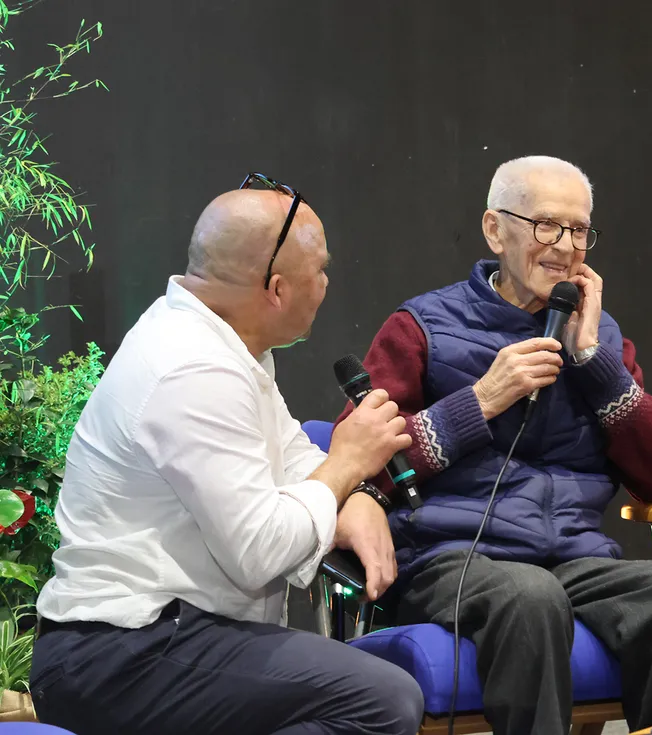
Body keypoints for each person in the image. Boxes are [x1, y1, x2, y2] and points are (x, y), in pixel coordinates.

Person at [335, 155, 652, 734]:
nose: (565, 246)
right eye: (546, 225)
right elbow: (358, 459)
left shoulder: (600, 336)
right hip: (450, 558)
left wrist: (595, 363)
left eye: (580, 230)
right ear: (496, 229)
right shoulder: (423, 326)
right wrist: (482, 399)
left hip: (574, 558)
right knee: (529, 595)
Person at [30, 177, 425, 735]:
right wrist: (347, 465)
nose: (328, 284)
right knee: (381, 702)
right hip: (121, 652)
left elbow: (291, 457)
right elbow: (260, 552)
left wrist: (355, 495)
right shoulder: (194, 367)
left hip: (171, 637)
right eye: (322, 271)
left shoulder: (221, 340)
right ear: (278, 289)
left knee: (370, 690)